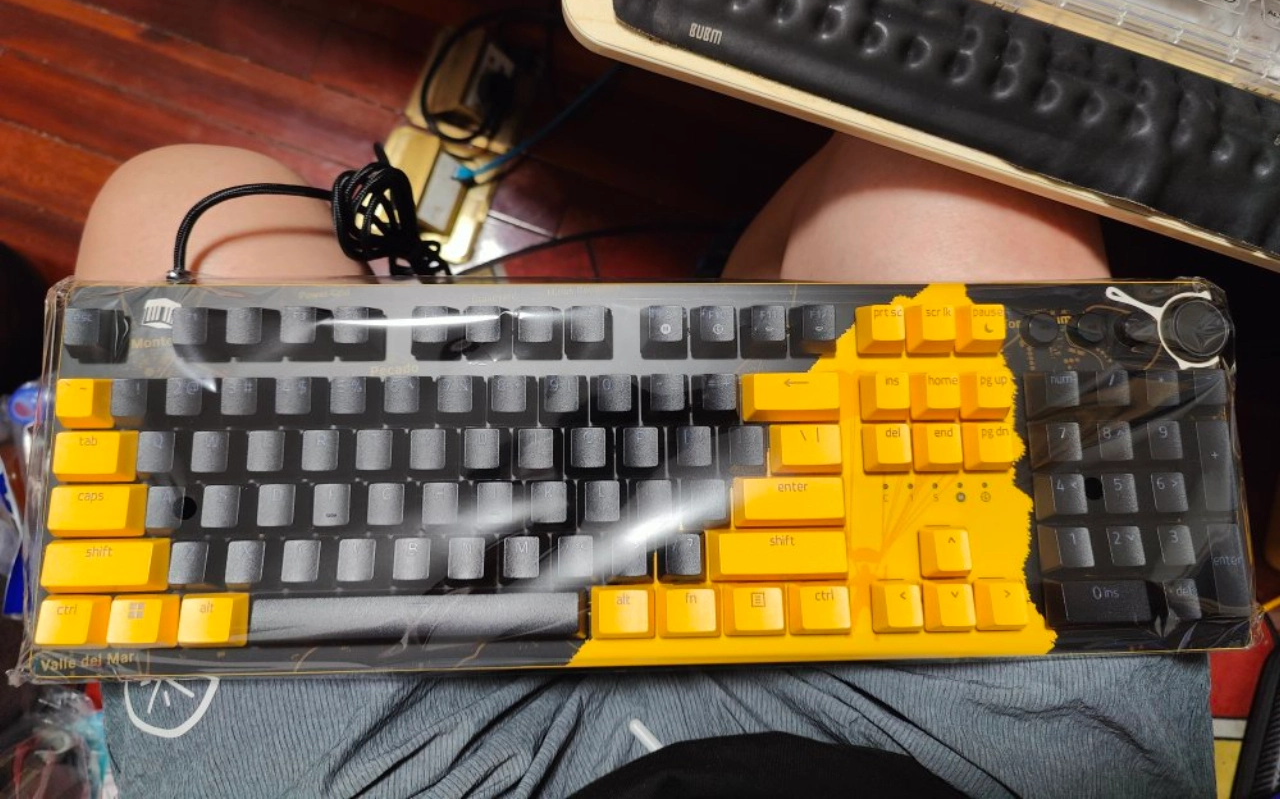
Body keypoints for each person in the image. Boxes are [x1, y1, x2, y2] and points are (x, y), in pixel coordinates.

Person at [81, 139, 1211, 798]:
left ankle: (735, 321)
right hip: (974, 769)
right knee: (936, 177)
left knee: (172, 205)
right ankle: (746, 312)